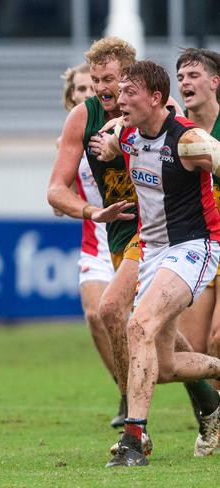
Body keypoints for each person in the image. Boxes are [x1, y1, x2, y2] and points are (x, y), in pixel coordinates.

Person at [48, 37, 217, 459]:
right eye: (100, 83)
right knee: (162, 355)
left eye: (117, 84)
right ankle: (206, 405)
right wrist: (91, 209)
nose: (109, 92)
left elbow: (180, 131)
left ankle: (134, 429)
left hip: (181, 240)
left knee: (127, 318)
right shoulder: (102, 125)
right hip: (134, 237)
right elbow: (55, 192)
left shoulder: (179, 131)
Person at [95, 60, 220, 467]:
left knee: (138, 325)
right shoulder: (127, 132)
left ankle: (134, 441)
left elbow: (213, 153)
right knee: (162, 366)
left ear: (155, 99)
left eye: (129, 92)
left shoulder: (188, 140)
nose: (120, 100)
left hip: (195, 247)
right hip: (153, 250)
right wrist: (112, 144)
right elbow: (117, 138)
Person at [59, 63, 120, 425]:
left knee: (163, 333)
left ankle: (204, 399)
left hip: (135, 239)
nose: (87, 94)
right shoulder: (68, 139)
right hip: (96, 242)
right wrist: (71, 202)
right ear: (70, 98)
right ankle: (126, 392)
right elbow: (59, 194)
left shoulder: (123, 128)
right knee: (96, 315)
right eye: (80, 89)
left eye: (92, 87)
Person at [174, 48, 220, 393]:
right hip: (199, 248)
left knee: (219, 339)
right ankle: (212, 421)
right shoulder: (175, 131)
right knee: (191, 348)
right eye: (180, 77)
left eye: (192, 75)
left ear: (214, 82)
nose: (184, 82)